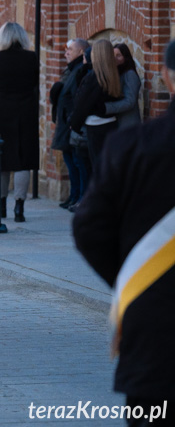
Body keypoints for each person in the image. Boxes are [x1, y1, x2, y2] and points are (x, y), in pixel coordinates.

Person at [72, 40, 175, 424]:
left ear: (166, 77)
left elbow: (87, 227)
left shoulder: (133, 146)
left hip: (152, 337)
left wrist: (136, 277)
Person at [0, 23, 39, 223]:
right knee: (22, 161)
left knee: (2, 161)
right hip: (26, 112)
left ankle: (1, 205)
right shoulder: (31, 57)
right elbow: (35, 83)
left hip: (1, 112)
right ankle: (19, 207)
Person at [50, 38, 90, 210]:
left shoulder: (80, 70)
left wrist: (72, 121)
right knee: (71, 160)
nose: (66, 52)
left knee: (78, 162)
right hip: (67, 123)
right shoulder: (72, 69)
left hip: (72, 124)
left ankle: (80, 197)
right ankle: (74, 195)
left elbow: (76, 99)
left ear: (81, 52)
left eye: (70, 49)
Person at [70, 39, 121, 174]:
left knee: (98, 168)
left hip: (95, 126)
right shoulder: (113, 74)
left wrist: (73, 123)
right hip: (111, 123)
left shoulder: (93, 77)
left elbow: (81, 103)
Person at [104, 43, 142, 129]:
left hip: (128, 124)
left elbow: (129, 102)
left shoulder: (130, 74)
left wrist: (106, 107)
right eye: (113, 55)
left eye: (118, 55)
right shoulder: (117, 74)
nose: (114, 58)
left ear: (126, 57)